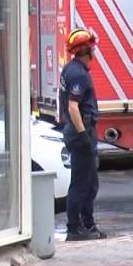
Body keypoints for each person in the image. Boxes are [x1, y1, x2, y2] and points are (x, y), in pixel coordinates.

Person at [59, 28, 105, 242]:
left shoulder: (72, 69)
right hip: (81, 132)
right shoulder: (78, 74)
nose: (94, 51)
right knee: (81, 183)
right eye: (92, 47)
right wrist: (83, 136)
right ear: (86, 49)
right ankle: (74, 228)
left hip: (80, 131)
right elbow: (73, 107)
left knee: (90, 182)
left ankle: (87, 224)